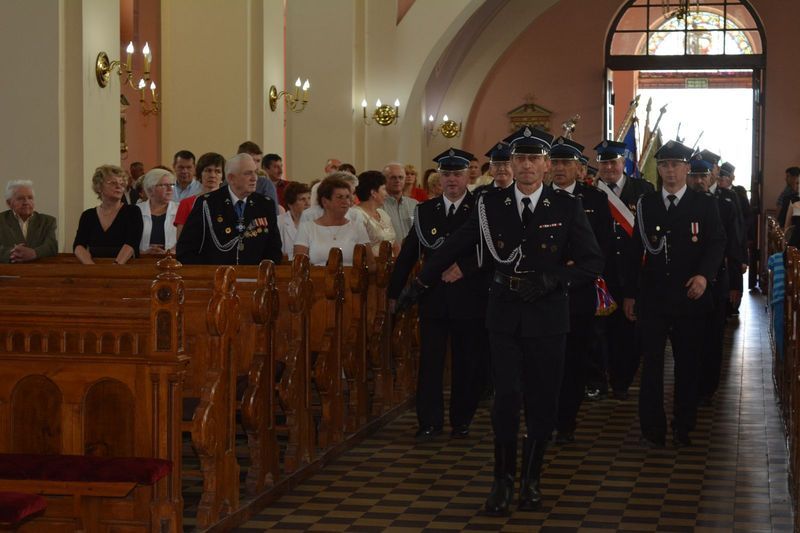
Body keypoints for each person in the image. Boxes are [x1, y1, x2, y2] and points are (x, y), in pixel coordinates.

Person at [400, 126, 603, 515]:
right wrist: (420, 282)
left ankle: (532, 480)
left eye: (534, 159)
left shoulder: (565, 207)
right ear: (509, 164)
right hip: (504, 314)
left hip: (547, 316)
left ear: (546, 165)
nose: (526, 166)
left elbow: (593, 262)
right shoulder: (489, 205)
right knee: (506, 400)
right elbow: (455, 245)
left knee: (543, 399)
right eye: (519, 159)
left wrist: (552, 279)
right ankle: (502, 482)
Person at [623, 140, 725, 449]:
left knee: (688, 365)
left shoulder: (704, 204)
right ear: (659, 169)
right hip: (653, 298)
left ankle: (684, 425)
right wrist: (629, 294)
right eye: (664, 165)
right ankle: (653, 428)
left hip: (689, 296)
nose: (670, 171)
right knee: (651, 366)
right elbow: (634, 251)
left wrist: (704, 276)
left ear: (686, 168)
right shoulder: (647, 204)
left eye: (676, 165)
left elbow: (716, 243)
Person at [388, 148, 487, 442]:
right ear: (439, 178)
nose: (452, 180)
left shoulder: (481, 209)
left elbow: (492, 250)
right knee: (430, 363)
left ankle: (462, 420)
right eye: (447, 175)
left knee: (466, 363)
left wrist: (466, 267)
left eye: (457, 174)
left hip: (469, 297)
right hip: (434, 297)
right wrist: (394, 292)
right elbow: (408, 253)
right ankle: (429, 421)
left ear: (468, 175)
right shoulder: (426, 210)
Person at [548, 138, 612, 445]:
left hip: (578, 293)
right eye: (555, 163)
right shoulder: (540, 198)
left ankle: (566, 422)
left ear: (578, 167)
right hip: (544, 294)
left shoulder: (594, 199)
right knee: (542, 362)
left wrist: (575, 265)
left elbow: (602, 246)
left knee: (573, 361)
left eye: (565, 164)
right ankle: (542, 421)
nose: (559, 169)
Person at [592, 139, 655, 401]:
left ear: (623, 162)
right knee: (597, 333)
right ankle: (599, 379)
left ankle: (622, 380)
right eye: (603, 163)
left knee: (629, 333)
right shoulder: (591, 192)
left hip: (632, 273)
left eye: (612, 162)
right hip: (600, 275)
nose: (608, 168)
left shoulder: (643, 189)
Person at [687, 156, 744, 405]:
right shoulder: (682, 203)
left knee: (712, 338)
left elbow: (733, 245)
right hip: (687, 283)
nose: (699, 181)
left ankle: (707, 388)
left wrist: (734, 285)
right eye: (695, 176)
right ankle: (689, 384)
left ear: (713, 175)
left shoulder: (726, 203)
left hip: (717, 282)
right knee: (689, 339)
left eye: (704, 175)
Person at [177, 153, 282, 265]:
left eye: (255, 172)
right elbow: (185, 250)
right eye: (248, 173)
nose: (254, 178)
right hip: (215, 278)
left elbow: (274, 250)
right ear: (231, 178)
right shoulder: (208, 203)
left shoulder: (265, 204)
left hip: (254, 278)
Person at [74, 165, 143, 264]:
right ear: (99, 187)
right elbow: (78, 246)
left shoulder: (132, 212)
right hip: (94, 268)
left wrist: (114, 267)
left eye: (121, 183)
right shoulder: (88, 215)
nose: (119, 186)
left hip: (124, 269)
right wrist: (91, 267)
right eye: (113, 183)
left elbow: (131, 243)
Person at [294, 176, 371, 266]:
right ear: (325, 201)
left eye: (347, 197)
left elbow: (370, 263)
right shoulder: (307, 228)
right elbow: (299, 265)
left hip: (352, 278)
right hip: (318, 278)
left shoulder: (357, 227)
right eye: (339, 197)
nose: (345, 201)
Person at [0, 180, 57, 263]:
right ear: (9, 203)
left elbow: (51, 246)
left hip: (38, 271)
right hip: (8, 271)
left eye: (30, 198)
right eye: (20, 198)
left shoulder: (47, 221)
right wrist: (11, 253)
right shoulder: (2, 220)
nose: (26, 202)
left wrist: (34, 253)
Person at [174, 152, 226, 239]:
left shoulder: (230, 203)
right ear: (199, 174)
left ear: (222, 177)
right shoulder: (186, 204)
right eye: (208, 170)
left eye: (217, 171)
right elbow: (181, 239)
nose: (212, 175)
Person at [353, 171, 398, 255]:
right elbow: (359, 250)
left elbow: (395, 244)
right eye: (384, 189)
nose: (386, 194)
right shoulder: (357, 215)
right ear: (373, 193)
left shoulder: (382, 213)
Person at [138, 168, 178, 255]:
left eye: (172, 185)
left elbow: (186, 240)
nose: (170, 189)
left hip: (172, 262)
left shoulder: (180, 209)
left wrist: (169, 253)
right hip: (141, 262)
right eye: (164, 185)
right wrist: (143, 253)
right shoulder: (136, 210)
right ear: (150, 190)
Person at [383, 162, 417, 241]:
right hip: (388, 252)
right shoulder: (378, 205)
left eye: (401, 177)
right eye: (393, 177)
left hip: (411, 252)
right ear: (384, 180)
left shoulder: (415, 204)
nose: (397, 180)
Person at [277, 181, 311, 259]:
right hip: (286, 267)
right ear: (290, 204)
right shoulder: (279, 222)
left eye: (309, 198)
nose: (308, 203)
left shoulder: (315, 222)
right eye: (302, 199)